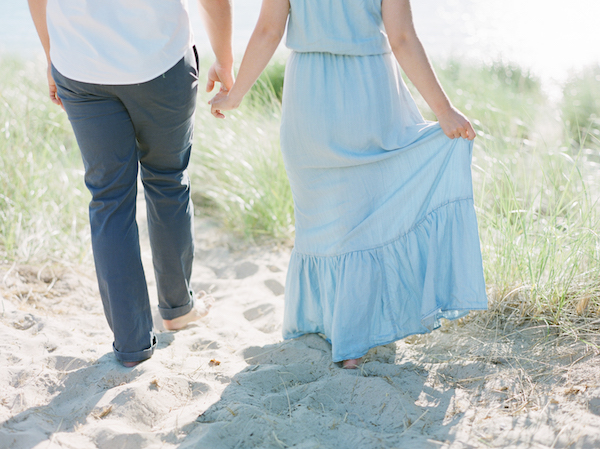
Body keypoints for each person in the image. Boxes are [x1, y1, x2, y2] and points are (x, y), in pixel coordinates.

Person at [210, 0, 487, 369]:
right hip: (369, 91)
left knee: (319, 222)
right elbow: (403, 38)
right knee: (365, 219)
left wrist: (236, 95)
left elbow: (268, 31)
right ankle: (353, 344)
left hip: (309, 96)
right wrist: (444, 110)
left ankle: (321, 326)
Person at [27, 0, 234, 367]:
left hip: (80, 65)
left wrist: (51, 54)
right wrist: (225, 59)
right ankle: (177, 308)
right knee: (168, 182)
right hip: (160, 62)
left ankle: (131, 343)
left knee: (109, 200)